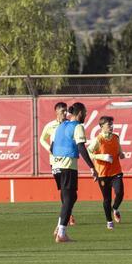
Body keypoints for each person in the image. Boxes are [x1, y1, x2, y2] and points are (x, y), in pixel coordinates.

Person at [51, 102, 97, 243]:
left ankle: (59, 227)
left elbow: (52, 147)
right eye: (85, 113)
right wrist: (92, 167)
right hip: (68, 166)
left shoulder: (60, 126)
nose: (86, 115)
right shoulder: (78, 126)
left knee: (70, 197)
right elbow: (81, 147)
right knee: (69, 198)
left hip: (56, 166)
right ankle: (61, 233)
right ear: (80, 113)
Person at [39, 102, 74, 225]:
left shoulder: (70, 124)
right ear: (56, 112)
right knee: (63, 189)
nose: (65, 113)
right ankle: (67, 212)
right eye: (62, 111)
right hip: (54, 162)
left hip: (67, 161)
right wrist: (49, 148)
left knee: (67, 190)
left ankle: (68, 213)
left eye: (66, 111)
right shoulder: (50, 126)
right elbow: (42, 139)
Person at [88, 115, 125, 229]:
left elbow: (119, 150)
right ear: (101, 126)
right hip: (103, 173)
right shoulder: (98, 139)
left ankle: (115, 208)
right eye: (109, 125)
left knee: (120, 192)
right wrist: (102, 157)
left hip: (116, 171)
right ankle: (109, 221)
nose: (111, 127)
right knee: (107, 199)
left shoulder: (116, 137)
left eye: (112, 124)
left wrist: (121, 154)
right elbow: (89, 152)